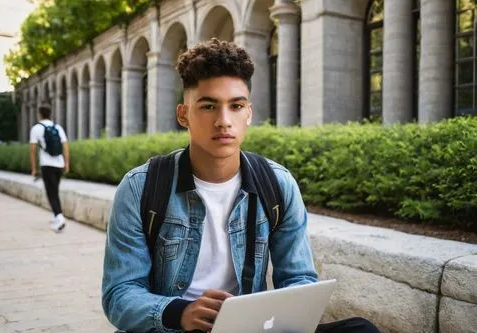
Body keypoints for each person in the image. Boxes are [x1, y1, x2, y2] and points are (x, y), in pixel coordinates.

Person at [102, 38, 379, 333]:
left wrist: (281, 315)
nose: (224, 121)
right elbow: (119, 295)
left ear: (248, 113)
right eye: (208, 106)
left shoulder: (277, 184)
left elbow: (298, 279)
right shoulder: (141, 187)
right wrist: (180, 313)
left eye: (235, 106)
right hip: (171, 327)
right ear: (184, 115)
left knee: (361, 330)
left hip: (249, 328)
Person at [29, 103, 70, 232]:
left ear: (39, 114)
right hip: (59, 164)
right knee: (55, 191)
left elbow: (33, 150)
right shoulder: (57, 127)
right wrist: (66, 163)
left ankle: (59, 218)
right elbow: (65, 146)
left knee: (51, 193)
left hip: (47, 165)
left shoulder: (36, 128)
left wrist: (34, 168)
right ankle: (56, 216)